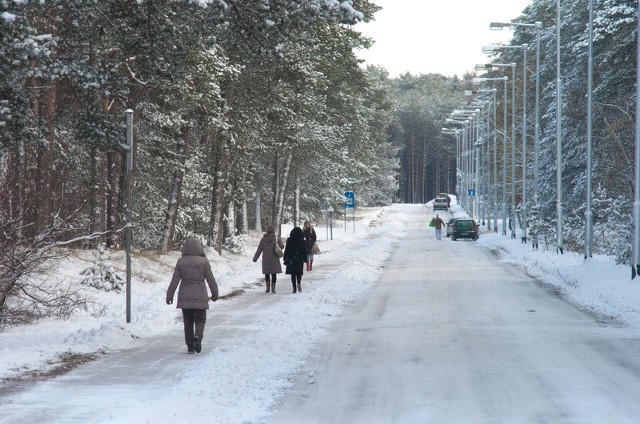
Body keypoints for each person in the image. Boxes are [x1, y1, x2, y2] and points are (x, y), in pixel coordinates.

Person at [166, 238, 219, 354]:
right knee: (200, 320)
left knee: (188, 322)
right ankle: (197, 337)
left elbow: (174, 280)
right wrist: (215, 293)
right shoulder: (203, 262)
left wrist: (169, 295)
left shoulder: (181, 262)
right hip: (200, 295)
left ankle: (190, 346)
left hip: (185, 296)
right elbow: (211, 279)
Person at [252, 224, 284, 293]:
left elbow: (259, 250)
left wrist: (255, 259)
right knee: (274, 273)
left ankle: (267, 288)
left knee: (267, 273)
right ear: (274, 230)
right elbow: (282, 246)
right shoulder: (276, 238)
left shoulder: (263, 239)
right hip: (274, 258)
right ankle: (273, 289)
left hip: (266, 259)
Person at [283, 226, 307, 293]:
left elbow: (287, 250)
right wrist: (305, 259)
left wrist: (285, 258)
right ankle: (299, 284)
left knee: (293, 274)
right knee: (299, 273)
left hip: (291, 259)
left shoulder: (289, 240)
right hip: (299, 259)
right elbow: (304, 250)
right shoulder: (302, 240)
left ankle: (294, 288)